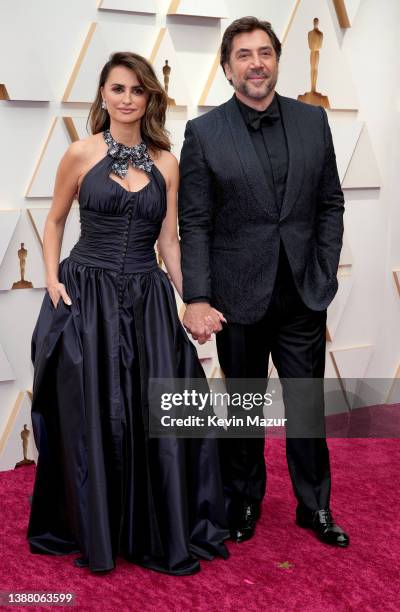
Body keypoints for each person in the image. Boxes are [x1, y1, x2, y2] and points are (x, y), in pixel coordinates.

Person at [27, 51, 229, 575]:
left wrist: (193, 303)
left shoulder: (166, 162)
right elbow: (53, 221)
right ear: (102, 94)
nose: (126, 98)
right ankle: (92, 524)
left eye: (136, 90)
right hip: (86, 298)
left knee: (152, 412)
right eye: (117, 88)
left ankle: (149, 525)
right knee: (91, 415)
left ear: (149, 99)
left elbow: (170, 243)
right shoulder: (79, 153)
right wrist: (51, 278)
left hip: (145, 298)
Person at [178, 17, 349, 547]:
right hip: (236, 295)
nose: (257, 63)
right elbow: (196, 221)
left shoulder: (311, 121)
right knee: (245, 405)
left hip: (302, 291)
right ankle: (245, 499)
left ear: (277, 59)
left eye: (265, 53)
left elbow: (329, 204)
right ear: (228, 69)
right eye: (244, 56)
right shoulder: (204, 133)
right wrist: (199, 296)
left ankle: (314, 506)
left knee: (305, 404)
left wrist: (323, 267)